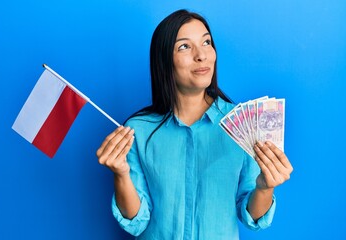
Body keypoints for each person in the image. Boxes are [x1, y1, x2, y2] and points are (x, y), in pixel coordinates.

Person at [96, 9, 293, 240]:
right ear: (164, 60)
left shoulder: (244, 123)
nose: (202, 55)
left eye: (206, 42)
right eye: (184, 46)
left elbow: (251, 217)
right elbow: (136, 222)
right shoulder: (137, 130)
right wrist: (120, 174)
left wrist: (264, 187)